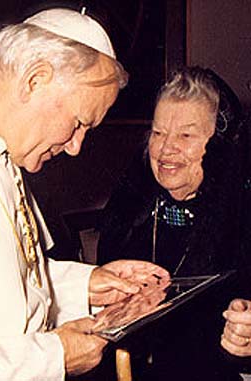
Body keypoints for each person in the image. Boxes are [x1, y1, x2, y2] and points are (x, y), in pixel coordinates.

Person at [0, 7, 171, 381]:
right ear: (35, 80)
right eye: (78, 123)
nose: (74, 148)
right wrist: (53, 357)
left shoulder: (2, 152)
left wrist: (87, 285)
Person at [96, 66, 246, 380]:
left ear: (220, 144)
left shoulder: (243, 221)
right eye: (159, 132)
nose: (166, 149)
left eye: (186, 135)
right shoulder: (129, 215)